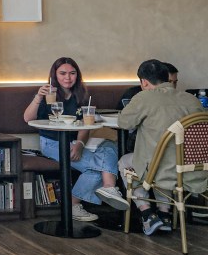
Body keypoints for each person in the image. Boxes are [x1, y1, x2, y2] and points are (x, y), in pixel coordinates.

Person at [23, 56, 124, 221]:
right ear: (55, 75)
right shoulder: (48, 94)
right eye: (62, 73)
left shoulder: (81, 95)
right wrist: (38, 97)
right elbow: (27, 118)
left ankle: (108, 187)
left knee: (109, 145)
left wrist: (79, 144)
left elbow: (85, 125)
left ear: (77, 75)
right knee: (97, 169)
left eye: (72, 73)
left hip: (74, 141)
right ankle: (74, 205)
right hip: (52, 143)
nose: (68, 77)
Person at [118, 59, 204, 235]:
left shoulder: (144, 97)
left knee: (126, 162)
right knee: (167, 157)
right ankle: (164, 215)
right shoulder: (191, 99)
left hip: (161, 170)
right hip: (194, 170)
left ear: (144, 82)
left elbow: (124, 123)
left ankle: (147, 214)